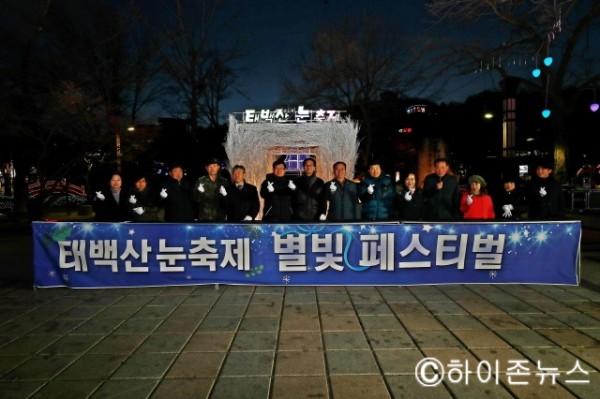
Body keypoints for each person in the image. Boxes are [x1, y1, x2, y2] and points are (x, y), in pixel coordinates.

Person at [192, 157, 229, 221]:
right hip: (204, 217)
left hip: (219, 217)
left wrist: (225, 195)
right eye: (210, 166)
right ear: (206, 168)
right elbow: (195, 200)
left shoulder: (224, 181)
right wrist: (199, 192)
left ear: (218, 167)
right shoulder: (201, 181)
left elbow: (228, 202)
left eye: (214, 166)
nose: (212, 168)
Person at [260, 155, 295, 222]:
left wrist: (294, 189)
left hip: (288, 216)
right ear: (273, 170)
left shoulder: (290, 182)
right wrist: (269, 191)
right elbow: (262, 194)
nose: (279, 170)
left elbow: (296, 196)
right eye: (276, 168)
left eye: (281, 168)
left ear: (285, 170)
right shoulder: (267, 182)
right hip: (270, 216)